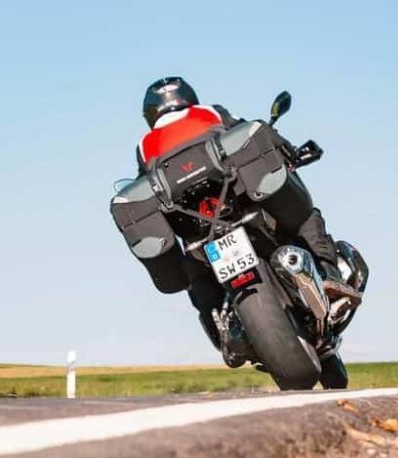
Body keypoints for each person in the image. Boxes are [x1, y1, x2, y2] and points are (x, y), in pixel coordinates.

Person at [134, 76, 359, 366]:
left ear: (150, 114)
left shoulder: (143, 147)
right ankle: (328, 274)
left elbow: (145, 189)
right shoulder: (212, 113)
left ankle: (218, 323)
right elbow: (253, 133)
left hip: (197, 225)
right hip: (240, 201)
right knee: (305, 216)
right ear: (189, 97)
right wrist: (291, 152)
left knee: (196, 272)